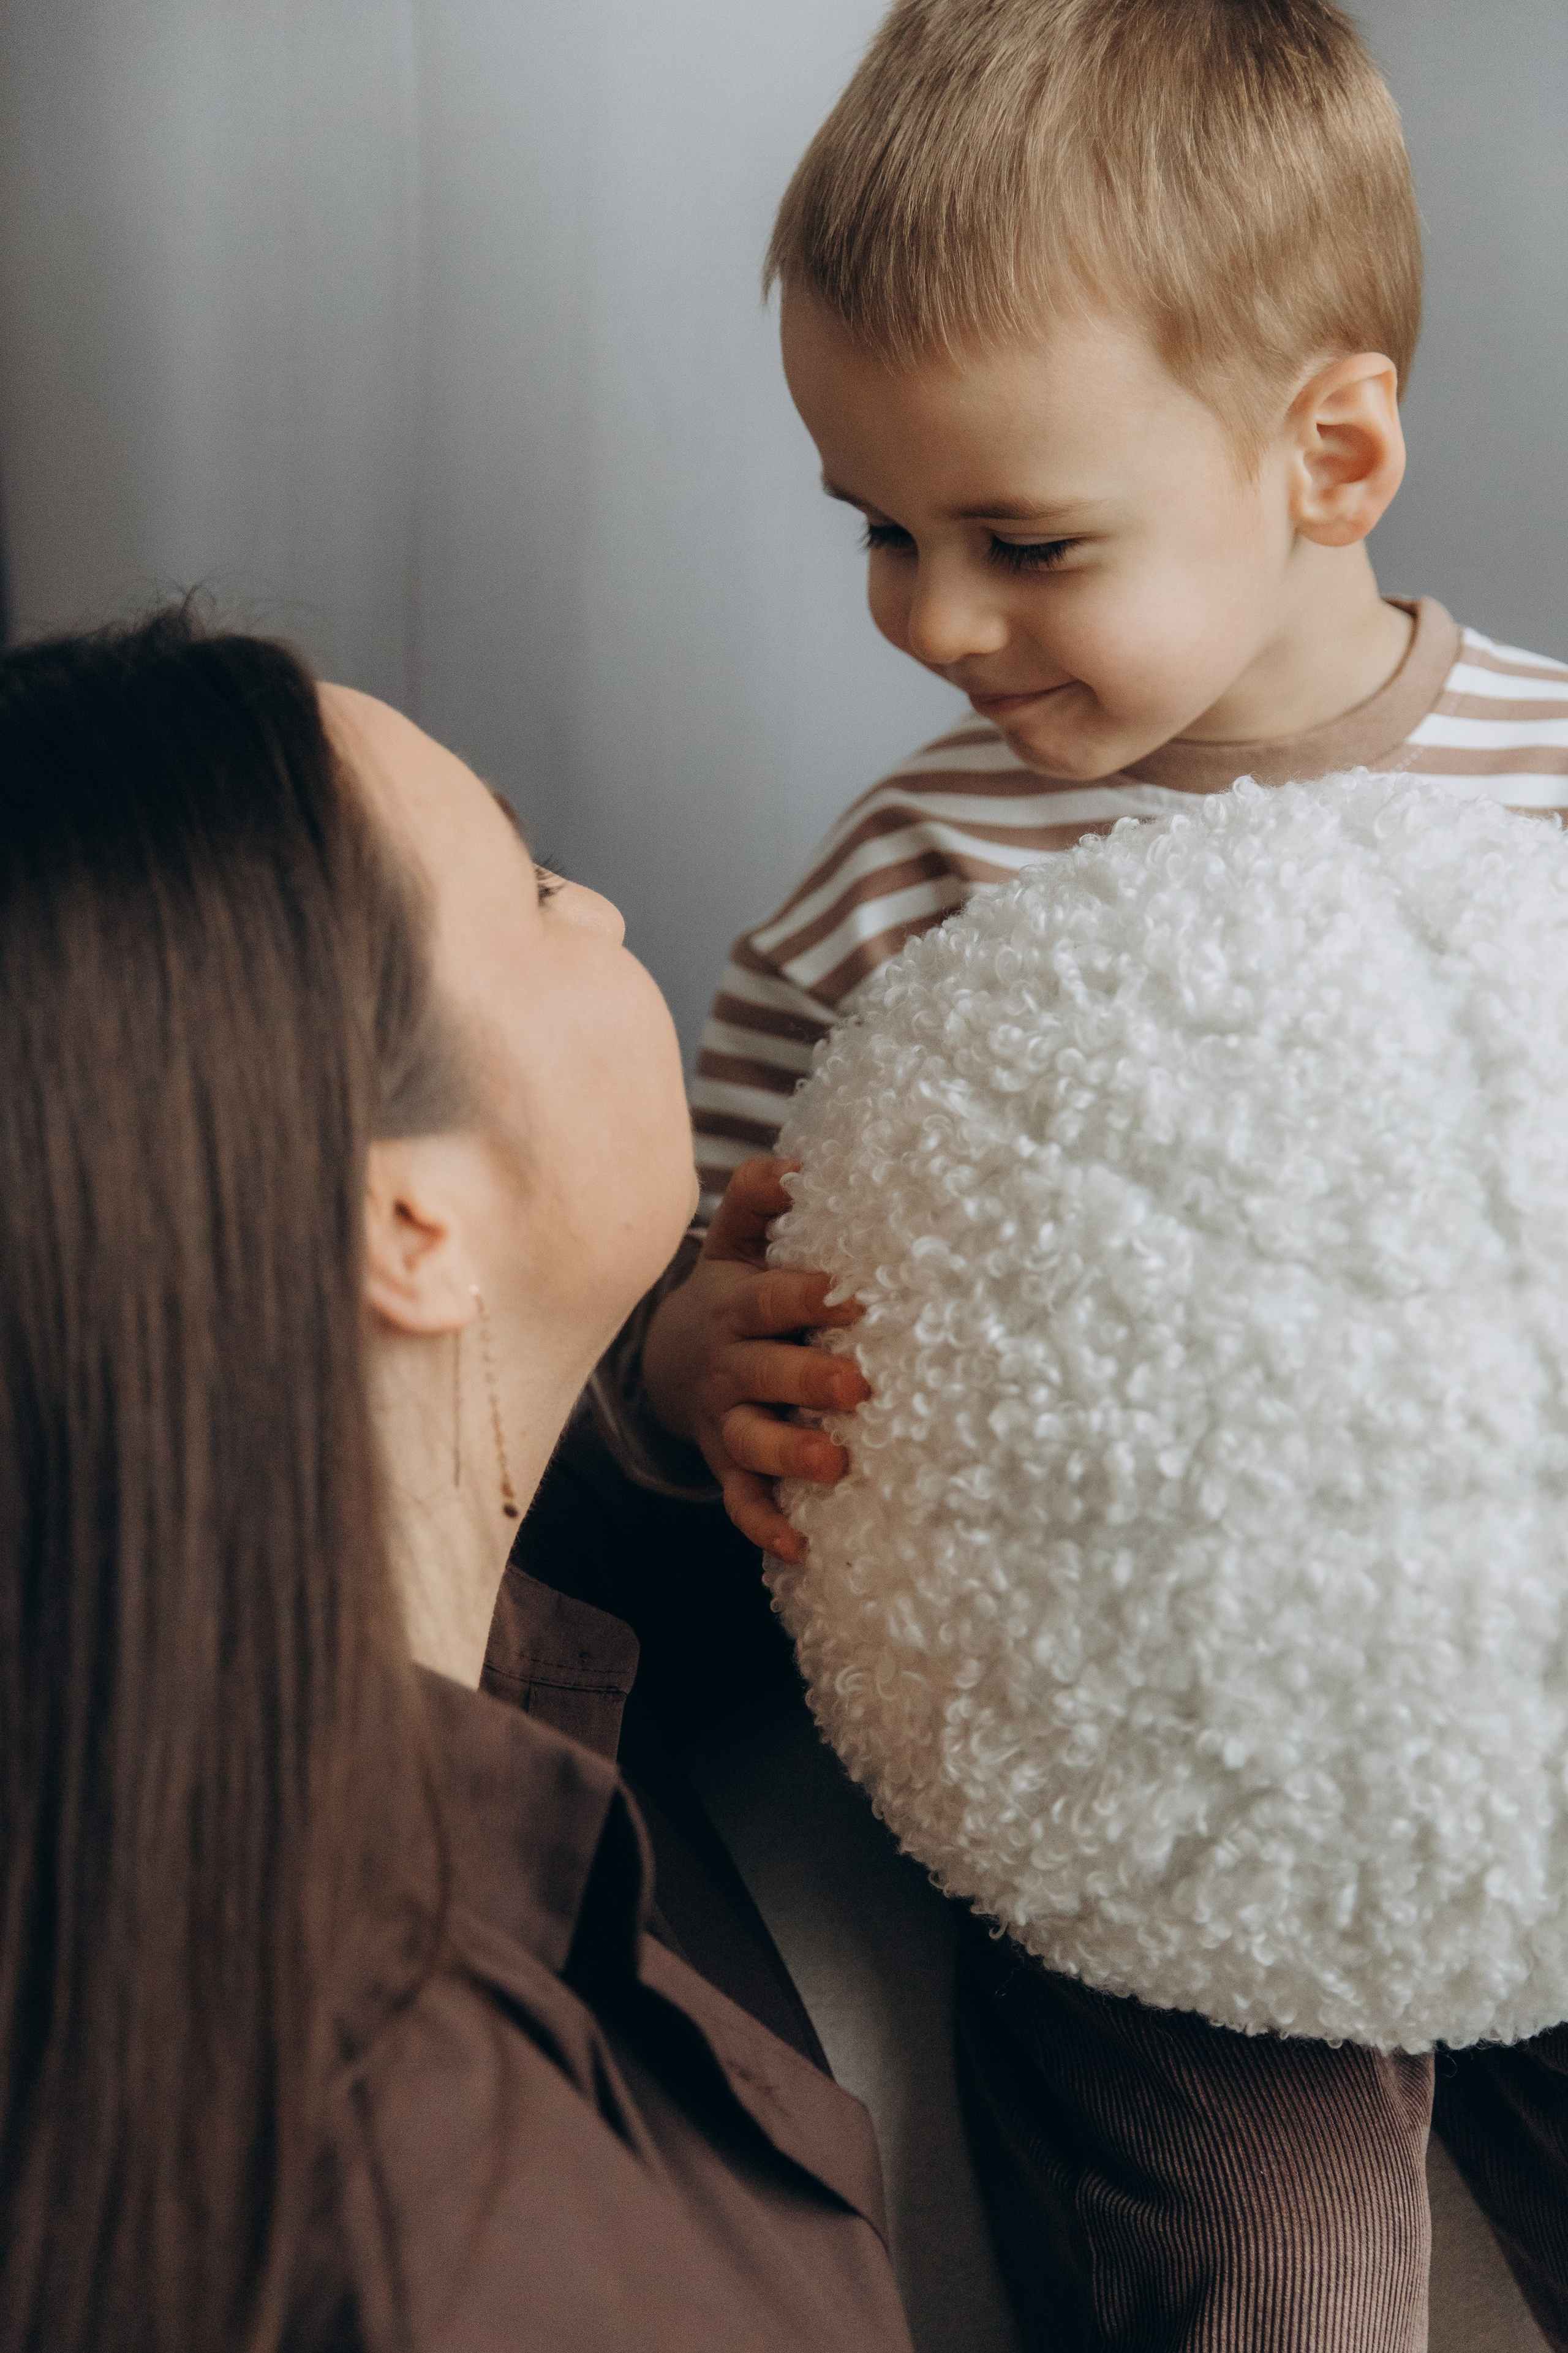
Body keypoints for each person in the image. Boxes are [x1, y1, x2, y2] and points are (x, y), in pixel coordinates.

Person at [579, 2, 1568, 2345]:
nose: (933, 619)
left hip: (1521, 1688)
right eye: (882, 530)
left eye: (1025, 540)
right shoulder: (909, 877)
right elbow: (713, 1258)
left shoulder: (1549, 793)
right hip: (1159, 1782)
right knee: (1261, 2258)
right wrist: (678, 1369)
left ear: (1330, 451)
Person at [0, 605, 915, 2353]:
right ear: (408, 1224)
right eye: (547, 886)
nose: (619, 912)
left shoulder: (515, 1647)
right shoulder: (441, 2225)